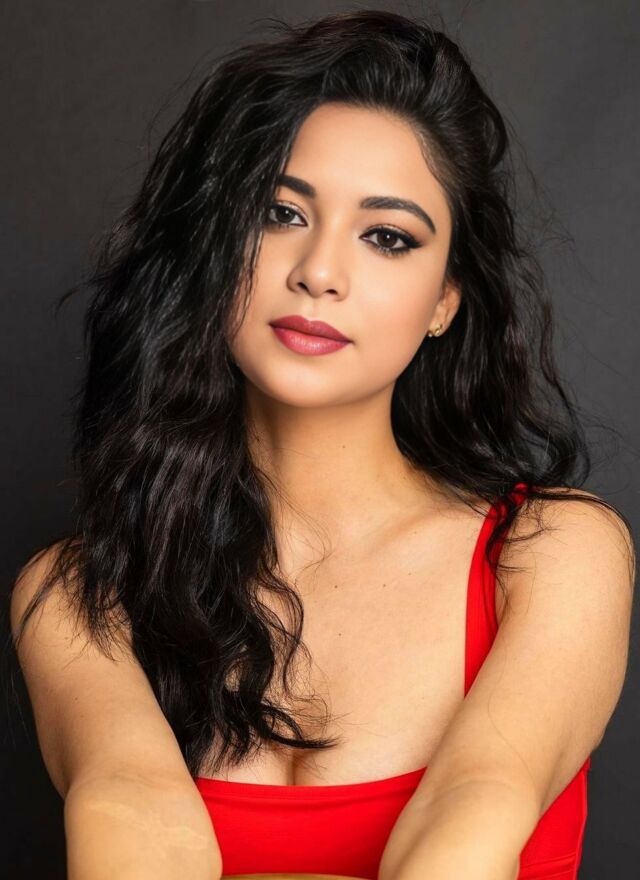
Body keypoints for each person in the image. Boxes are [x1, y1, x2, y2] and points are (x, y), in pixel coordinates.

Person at [8, 9, 635, 880]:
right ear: (212, 248)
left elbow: (468, 830)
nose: (320, 272)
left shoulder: (553, 555)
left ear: (444, 301)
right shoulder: (81, 595)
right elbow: (128, 821)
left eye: (387, 237)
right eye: (279, 212)